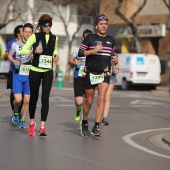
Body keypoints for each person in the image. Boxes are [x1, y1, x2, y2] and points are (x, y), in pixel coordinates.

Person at [78, 14, 118, 137]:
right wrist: (93, 50)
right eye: (101, 24)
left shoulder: (111, 39)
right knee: (89, 101)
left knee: (101, 99)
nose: (104, 26)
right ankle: (84, 122)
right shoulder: (90, 38)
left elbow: (112, 54)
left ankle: (96, 126)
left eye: (105, 24)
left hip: (104, 73)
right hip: (90, 73)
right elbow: (80, 53)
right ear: (96, 26)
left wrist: (115, 59)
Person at [20, 14, 59, 136]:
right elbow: (23, 51)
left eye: (50, 25)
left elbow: (55, 51)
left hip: (47, 71)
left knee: (45, 98)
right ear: (41, 26)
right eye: (46, 25)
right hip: (35, 70)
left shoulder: (55, 38)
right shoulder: (34, 37)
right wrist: (33, 51)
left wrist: (56, 56)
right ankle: (32, 123)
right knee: (34, 98)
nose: (48, 27)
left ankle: (42, 126)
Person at [8, 23, 33, 128]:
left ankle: (22, 120)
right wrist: (14, 61)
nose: (27, 34)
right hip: (17, 75)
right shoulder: (15, 44)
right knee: (18, 100)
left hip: (29, 76)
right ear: (23, 33)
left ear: (32, 34)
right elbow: (9, 55)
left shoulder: (34, 46)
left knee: (27, 101)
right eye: (26, 32)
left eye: (29, 32)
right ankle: (16, 112)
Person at [69, 29, 93, 123]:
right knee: (79, 102)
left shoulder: (94, 51)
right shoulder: (77, 49)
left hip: (90, 77)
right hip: (78, 77)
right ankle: (78, 109)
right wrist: (75, 62)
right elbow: (70, 59)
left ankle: (83, 121)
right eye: (86, 37)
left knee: (88, 102)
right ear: (83, 38)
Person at [4, 25, 23, 121]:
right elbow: (5, 56)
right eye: (23, 31)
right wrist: (9, 56)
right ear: (18, 33)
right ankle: (15, 112)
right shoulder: (11, 43)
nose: (25, 32)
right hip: (13, 71)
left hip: (24, 71)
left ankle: (18, 111)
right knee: (13, 93)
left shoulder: (27, 42)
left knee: (22, 94)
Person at [102, 58, 119, 125]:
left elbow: (117, 63)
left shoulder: (113, 53)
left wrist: (117, 69)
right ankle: (99, 114)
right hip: (101, 76)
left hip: (111, 76)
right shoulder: (100, 51)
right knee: (101, 97)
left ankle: (105, 118)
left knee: (107, 96)